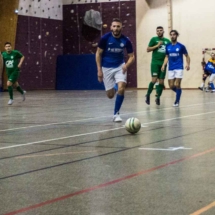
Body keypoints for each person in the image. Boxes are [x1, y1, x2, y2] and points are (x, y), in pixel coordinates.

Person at [96, 18, 135, 122]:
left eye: (118, 26)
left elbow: (132, 56)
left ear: (121, 27)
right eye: (114, 26)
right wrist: (99, 70)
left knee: (121, 88)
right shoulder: (105, 38)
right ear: (111, 27)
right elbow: (98, 54)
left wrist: (126, 65)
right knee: (110, 95)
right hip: (106, 68)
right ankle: (114, 85)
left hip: (119, 67)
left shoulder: (126, 40)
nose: (116, 28)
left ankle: (116, 114)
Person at [161, 30, 190, 107]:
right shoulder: (168, 46)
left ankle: (177, 101)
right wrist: (164, 65)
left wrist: (188, 64)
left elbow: (187, 56)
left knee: (177, 84)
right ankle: (179, 92)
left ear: (177, 35)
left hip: (179, 67)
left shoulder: (181, 46)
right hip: (171, 68)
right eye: (171, 35)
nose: (172, 36)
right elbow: (167, 57)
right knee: (171, 86)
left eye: (174, 34)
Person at [145, 26, 171, 106]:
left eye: (160, 30)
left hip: (163, 63)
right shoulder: (154, 39)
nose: (159, 32)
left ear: (163, 31)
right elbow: (148, 49)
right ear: (156, 32)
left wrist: (164, 64)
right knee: (154, 80)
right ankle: (148, 94)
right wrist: (157, 45)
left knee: (162, 82)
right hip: (155, 63)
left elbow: (168, 55)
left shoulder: (167, 41)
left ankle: (158, 97)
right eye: (158, 31)